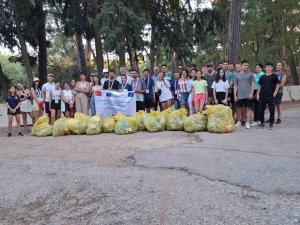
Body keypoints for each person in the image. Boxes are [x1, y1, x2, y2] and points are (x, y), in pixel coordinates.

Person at [257, 62, 280, 130]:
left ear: (272, 68)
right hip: (262, 96)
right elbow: (260, 86)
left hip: (270, 96)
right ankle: (262, 123)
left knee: (272, 110)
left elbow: (278, 84)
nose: (268, 68)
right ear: (265, 68)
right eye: (266, 67)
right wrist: (258, 94)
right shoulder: (262, 77)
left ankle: (271, 124)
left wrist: (275, 93)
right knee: (260, 110)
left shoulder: (274, 76)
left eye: (269, 67)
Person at [234, 60, 254, 129]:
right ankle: (239, 121)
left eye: (247, 65)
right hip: (239, 95)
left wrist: (251, 93)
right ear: (241, 66)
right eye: (245, 65)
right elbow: (235, 86)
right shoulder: (236, 75)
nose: (246, 66)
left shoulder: (251, 74)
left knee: (248, 108)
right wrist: (235, 95)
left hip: (248, 95)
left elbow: (252, 84)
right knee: (238, 108)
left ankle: (248, 122)